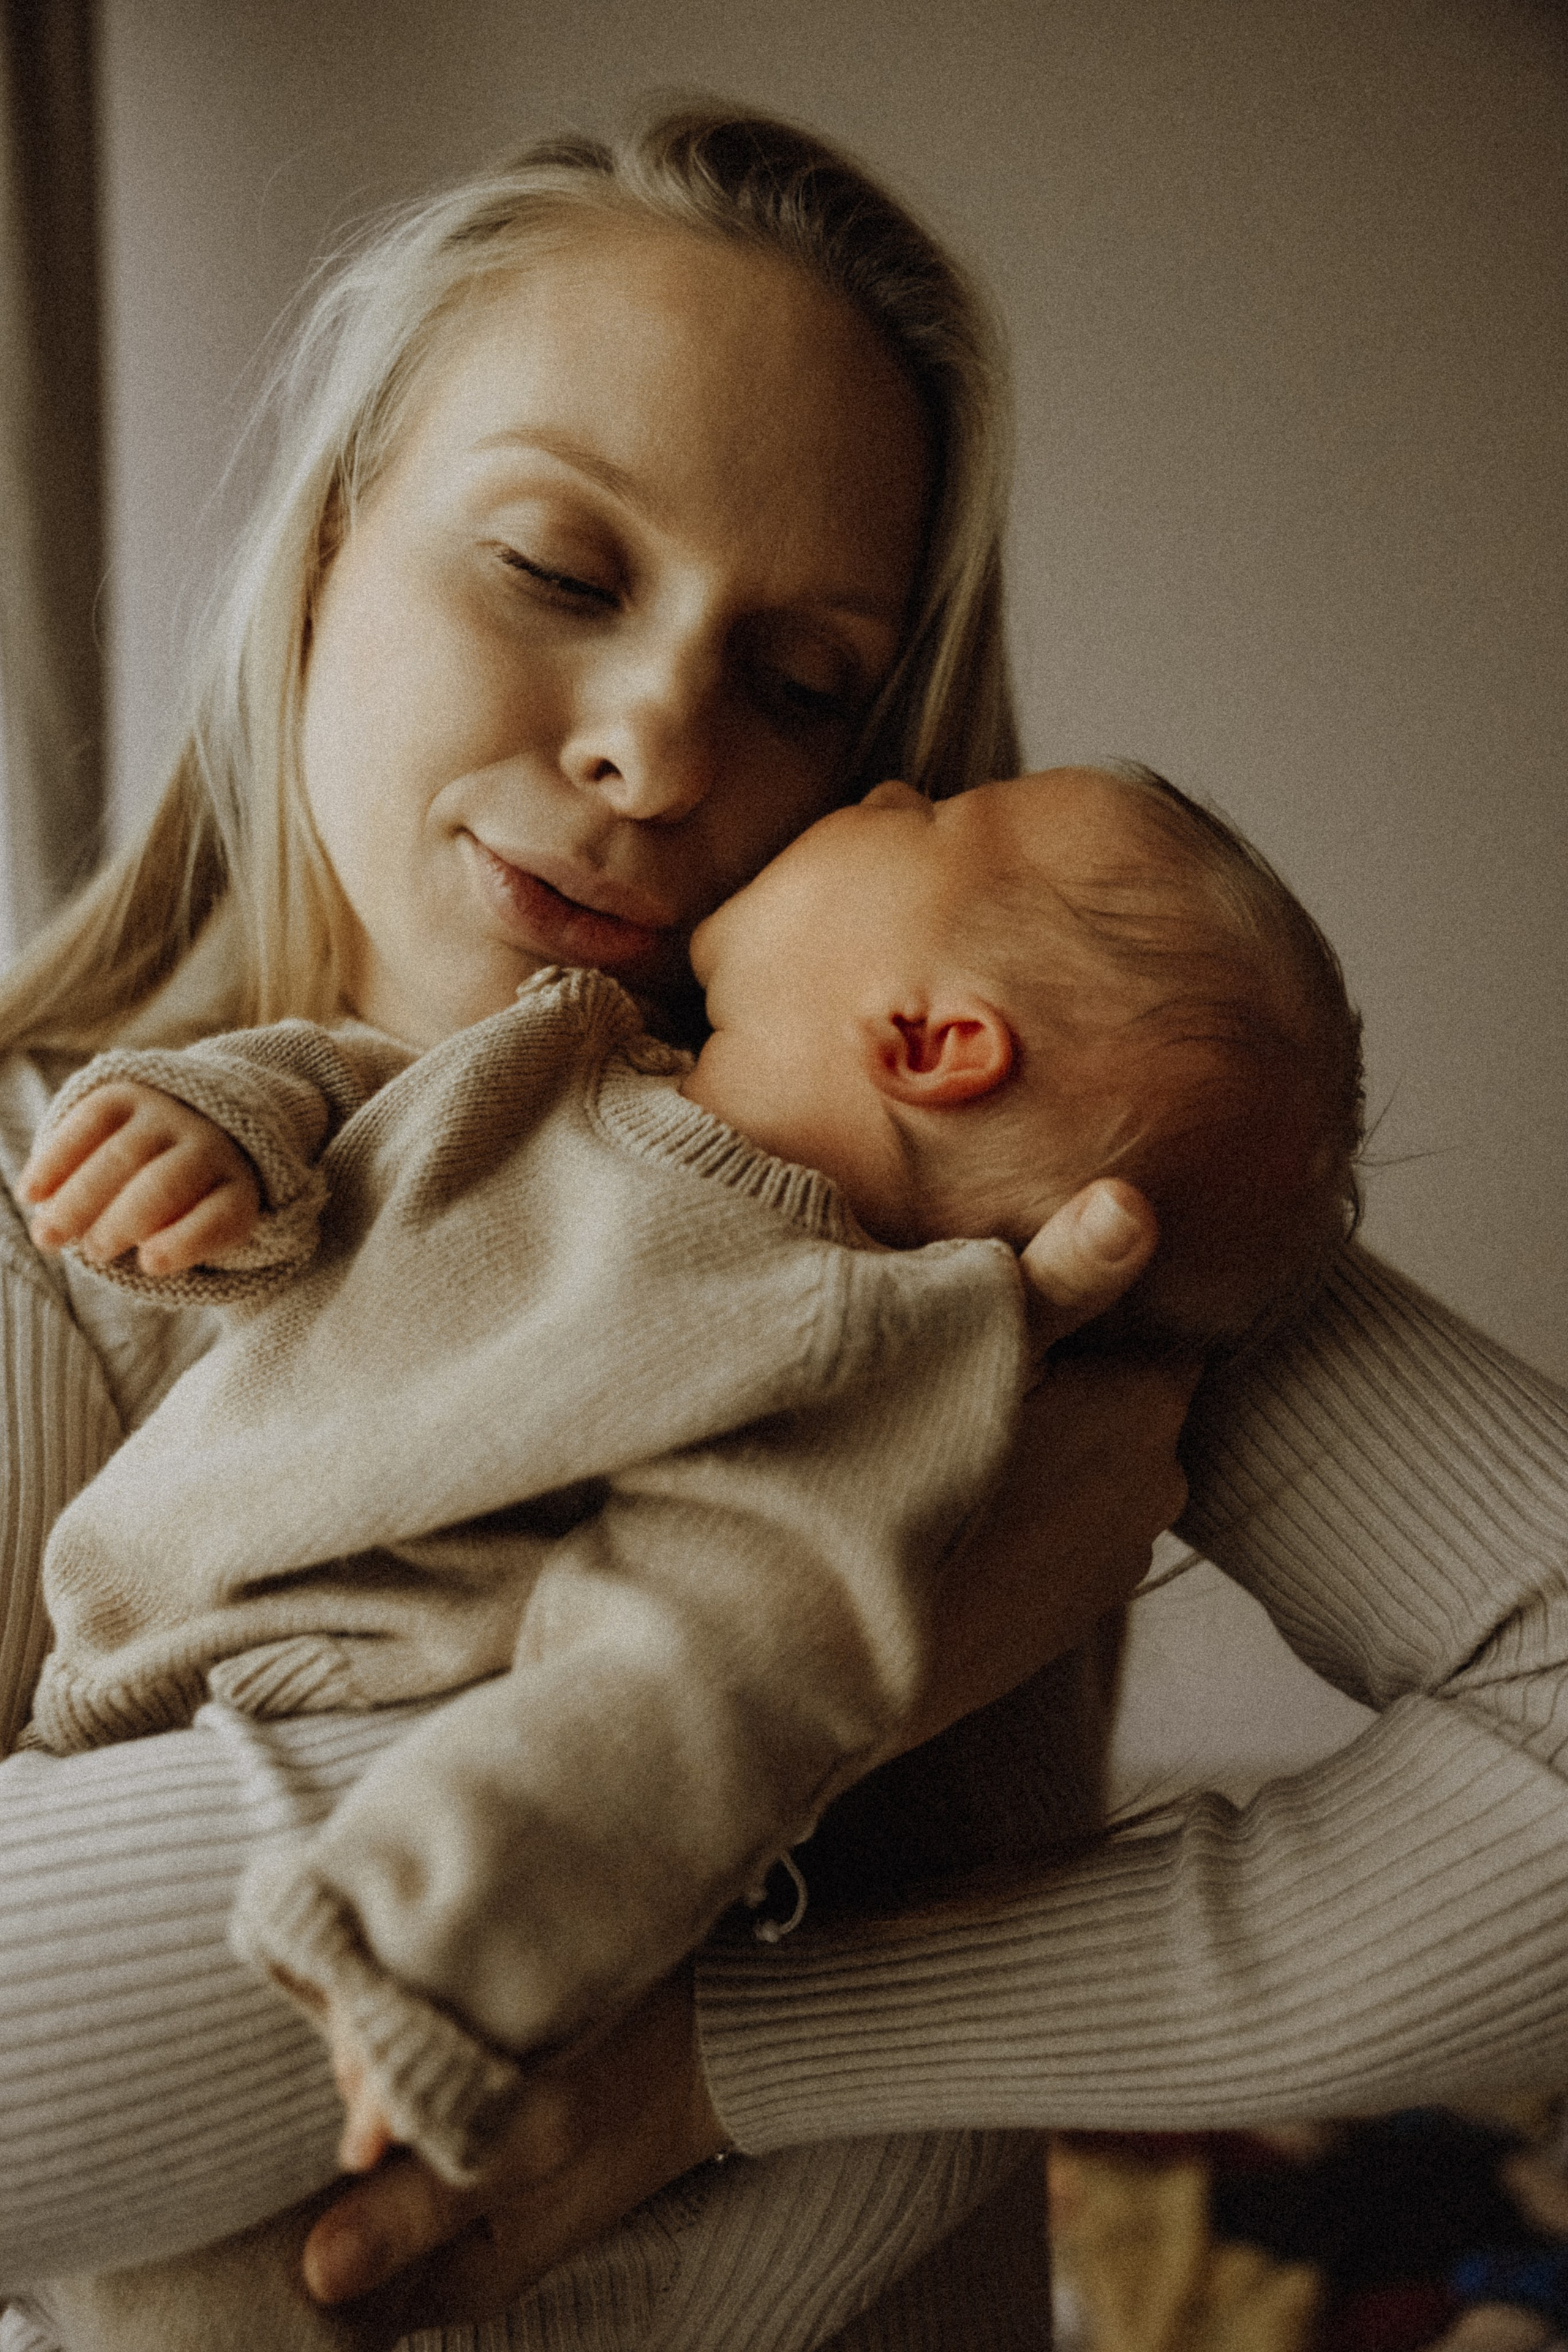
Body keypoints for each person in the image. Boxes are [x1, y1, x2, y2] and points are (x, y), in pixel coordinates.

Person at [0, 102, 1562, 2352]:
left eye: (806, 682)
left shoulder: (1035, 1220)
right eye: (557, 566)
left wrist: (736, 2063)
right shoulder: (62, 1188)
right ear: (329, 541)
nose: (652, 743)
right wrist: (880, 1647)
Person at [18, 761, 1362, 2204]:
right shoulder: (573, 1060)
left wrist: (431, 1935)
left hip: (347, 1840)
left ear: (926, 1038)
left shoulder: (861, 1338)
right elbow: (349, 1110)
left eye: (924, 823)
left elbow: (706, 1662)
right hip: (108, 1732)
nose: (889, 782)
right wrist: (210, 1130)